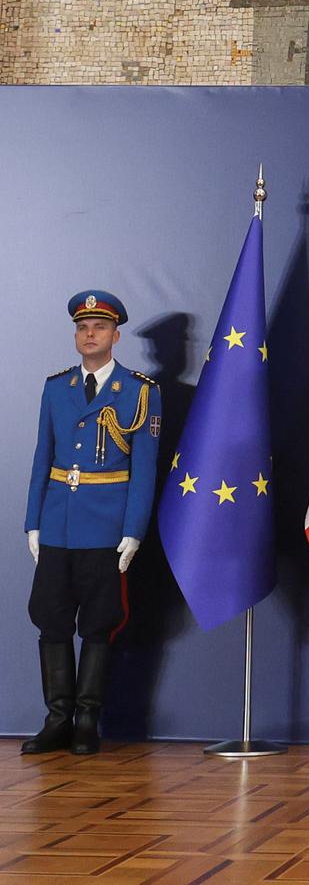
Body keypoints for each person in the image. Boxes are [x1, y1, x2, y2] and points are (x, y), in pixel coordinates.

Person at [22, 291, 161, 756]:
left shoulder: (139, 391)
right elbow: (42, 458)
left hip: (106, 525)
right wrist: (33, 522)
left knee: (99, 623)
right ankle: (57, 719)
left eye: (99, 327)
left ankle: (86, 721)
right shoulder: (55, 387)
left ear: (116, 336)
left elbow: (144, 469)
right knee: (51, 619)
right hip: (57, 522)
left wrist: (133, 530)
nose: (89, 334)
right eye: (82, 327)